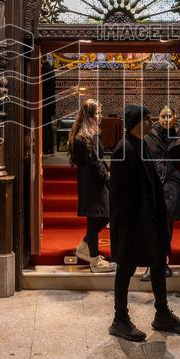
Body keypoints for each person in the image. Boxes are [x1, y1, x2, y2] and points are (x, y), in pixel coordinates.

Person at [108, 104, 180, 341]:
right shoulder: (124, 149)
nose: (150, 123)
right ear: (136, 122)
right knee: (125, 269)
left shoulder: (141, 144)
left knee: (157, 263)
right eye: (147, 119)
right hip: (133, 224)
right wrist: (128, 225)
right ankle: (119, 319)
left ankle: (162, 313)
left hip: (150, 219)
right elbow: (119, 194)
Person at [142, 105, 180, 281]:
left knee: (166, 226)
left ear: (175, 117)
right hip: (153, 184)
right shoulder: (149, 137)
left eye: (169, 116)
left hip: (172, 185)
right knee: (151, 225)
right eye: (163, 116)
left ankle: (162, 262)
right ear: (158, 118)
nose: (166, 119)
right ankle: (151, 264)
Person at [70, 99, 115, 273]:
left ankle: (89, 250)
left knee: (95, 217)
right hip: (94, 180)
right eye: (97, 113)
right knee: (104, 215)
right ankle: (94, 260)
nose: (100, 116)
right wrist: (107, 178)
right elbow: (97, 161)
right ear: (89, 115)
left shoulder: (80, 132)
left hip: (86, 179)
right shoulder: (91, 134)